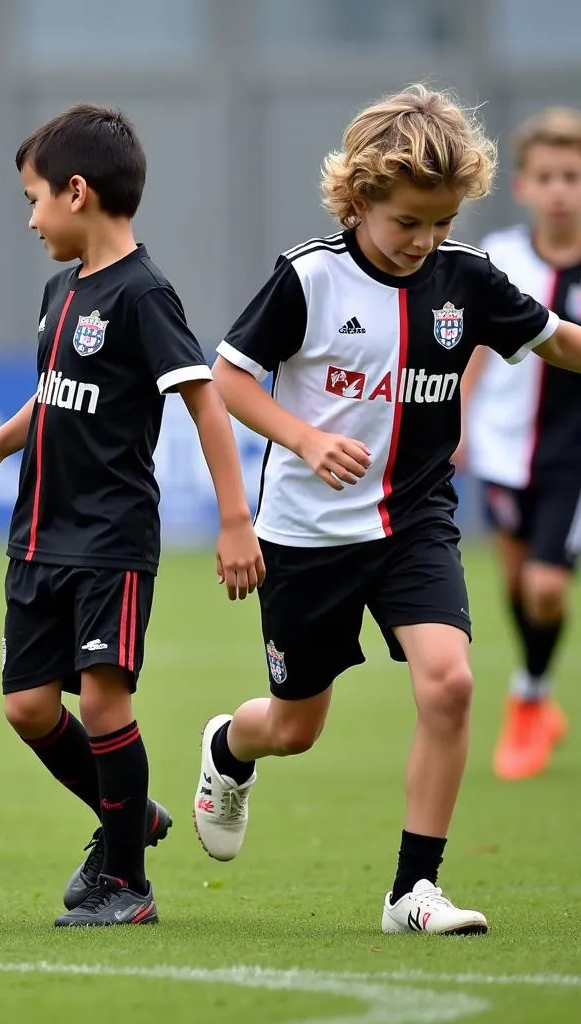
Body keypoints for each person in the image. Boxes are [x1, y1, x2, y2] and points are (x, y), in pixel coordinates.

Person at [193, 84, 581, 936]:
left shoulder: (465, 280)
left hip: (414, 523)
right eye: (408, 221)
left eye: (442, 222)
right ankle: (228, 749)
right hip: (307, 535)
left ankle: (414, 891)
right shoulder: (308, 279)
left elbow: (556, 340)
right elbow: (225, 381)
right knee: (295, 730)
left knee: (449, 684)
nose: (425, 241)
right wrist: (303, 438)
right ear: (362, 197)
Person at [0, 104, 264, 927]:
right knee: (27, 707)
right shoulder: (61, 289)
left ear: (76, 192)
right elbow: (51, 400)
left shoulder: (144, 294)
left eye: (33, 197)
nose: (30, 216)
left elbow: (204, 401)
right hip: (36, 537)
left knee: (103, 704)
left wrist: (235, 519)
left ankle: (127, 884)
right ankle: (132, 815)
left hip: (110, 541)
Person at [458, 107, 581, 780]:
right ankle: (536, 695)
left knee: (544, 588)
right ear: (523, 186)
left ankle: (529, 699)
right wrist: (459, 417)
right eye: (548, 176)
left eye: (573, 175)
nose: (561, 189)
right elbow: (475, 344)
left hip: (572, 456)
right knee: (514, 579)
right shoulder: (501, 258)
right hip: (505, 446)